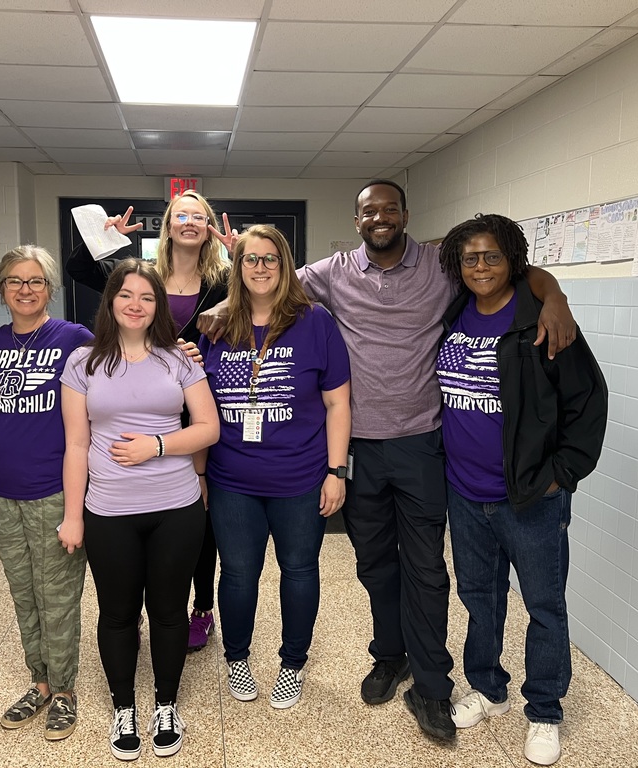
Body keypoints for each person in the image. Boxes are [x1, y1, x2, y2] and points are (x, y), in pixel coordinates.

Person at [199, 179, 578, 741]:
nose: (379, 218)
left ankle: (431, 684)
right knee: (374, 563)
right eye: (368, 211)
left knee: (425, 567)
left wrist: (556, 297)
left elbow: (515, 273)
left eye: (389, 209)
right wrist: (224, 299)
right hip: (358, 448)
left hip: (422, 442)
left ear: (404, 214)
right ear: (356, 221)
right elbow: (268, 288)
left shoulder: (441, 265)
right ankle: (390, 654)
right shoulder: (332, 272)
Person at [435, 214, 607, 765]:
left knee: (544, 606)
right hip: (464, 493)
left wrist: (563, 473)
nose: (480, 267)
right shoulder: (454, 311)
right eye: (470, 258)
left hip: (530, 497)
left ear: (512, 260)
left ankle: (545, 711)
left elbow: (587, 402)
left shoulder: (541, 320)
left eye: (491, 256)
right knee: (479, 598)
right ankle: (488, 688)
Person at [60, 259, 219, 761]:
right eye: (126, 295)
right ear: (110, 301)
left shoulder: (179, 360)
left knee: (169, 612)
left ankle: (166, 706)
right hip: (108, 510)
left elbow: (208, 427)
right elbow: (76, 446)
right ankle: (124, 708)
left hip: (175, 507)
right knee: (118, 614)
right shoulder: (82, 363)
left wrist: (156, 445)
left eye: (147, 297)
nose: (135, 304)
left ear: (158, 307)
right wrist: (72, 515)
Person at [66, 191, 231, 653]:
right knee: (139, 514)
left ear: (209, 226)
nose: (191, 222)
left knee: (197, 514)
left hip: (198, 401)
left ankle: (200, 608)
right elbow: (80, 270)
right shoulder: (145, 277)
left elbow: (267, 292)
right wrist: (103, 238)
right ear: (170, 225)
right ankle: (132, 611)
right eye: (183, 215)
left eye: (200, 216)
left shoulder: (223, 280)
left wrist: (240, 259)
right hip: (137, 399)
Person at [199, 225, 351, 710]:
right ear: (236, 268)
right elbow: (193, 397)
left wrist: (336, 471)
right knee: (239, 573)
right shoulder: (216, 326)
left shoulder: (316, 322)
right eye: (250, 259)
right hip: (232, 479)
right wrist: (200, 474)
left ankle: (292, 663)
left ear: (285, 266)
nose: (260, 268)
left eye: (270, 259)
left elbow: (338, 404)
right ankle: (238, 658)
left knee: (299, 570)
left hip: (301, 478)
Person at [0, 246, 92, 740]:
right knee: (24, 596)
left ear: (50, 288)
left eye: (35, 281)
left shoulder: (74, 338)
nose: (25, 289)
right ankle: (39, 682)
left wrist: (75, 509)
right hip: (1, 493)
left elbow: (124, 368)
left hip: (53, 491)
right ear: (2, 290)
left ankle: (64, 691)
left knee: (59, 595)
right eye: (15, 281)